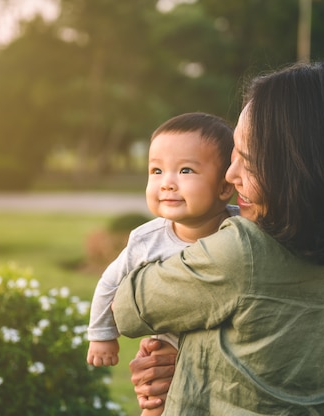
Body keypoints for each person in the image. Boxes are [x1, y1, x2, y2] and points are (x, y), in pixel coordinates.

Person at [112, 61, 324, 415]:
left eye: (250, 162)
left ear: (300, 171)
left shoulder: (241, 252)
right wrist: (182, 357)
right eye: (233, 154)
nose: (230, 174)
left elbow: (128, 305)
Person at [86, 112, 237, 410]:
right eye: (156, 171)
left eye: (185, 171)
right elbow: (110, 282)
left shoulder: (241, 229)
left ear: (224, 187)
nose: (167, 183)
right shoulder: (147, 240)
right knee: (155, 405)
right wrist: (102, 335)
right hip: (166, 355)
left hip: (221, 354)